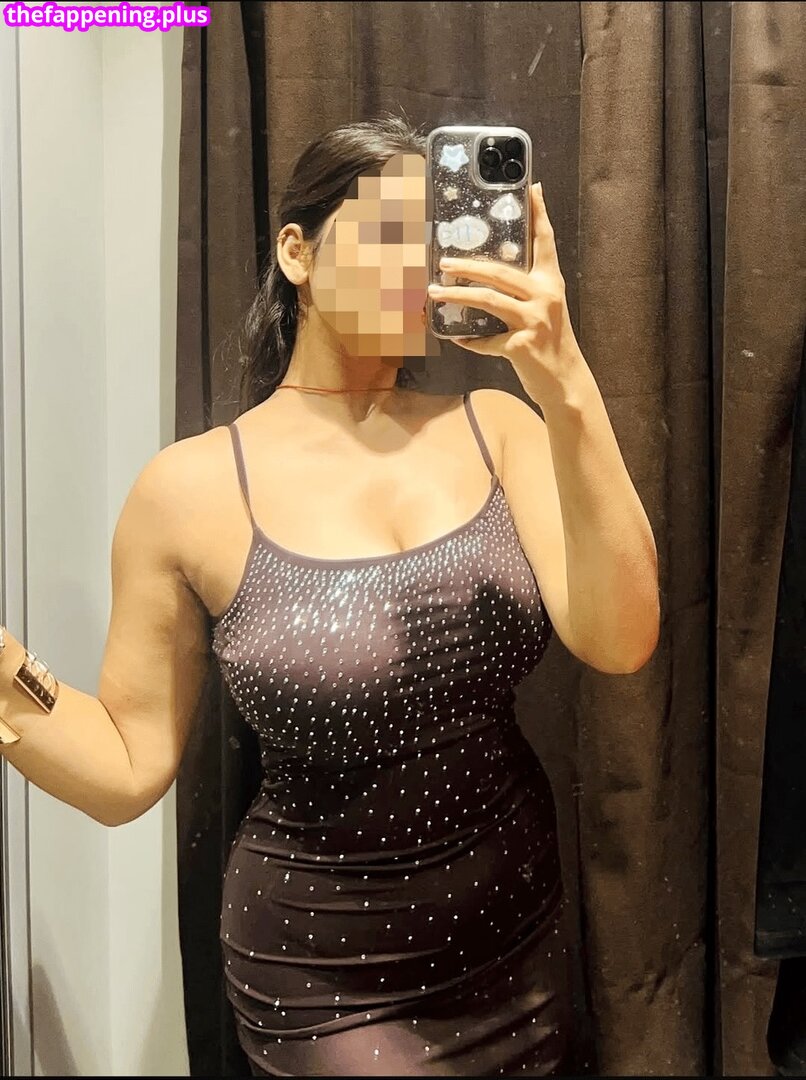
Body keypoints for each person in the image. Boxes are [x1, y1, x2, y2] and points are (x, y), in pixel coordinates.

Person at [0, 113, 659, 1076]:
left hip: (520, 943)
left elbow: (623, 638)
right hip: (324, 976)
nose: (418, 263)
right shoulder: (189, 489)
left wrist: (560, 375)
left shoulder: (499, 427)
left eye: (436, 237)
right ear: (297, 253)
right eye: (390, 230)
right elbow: (126, 766)